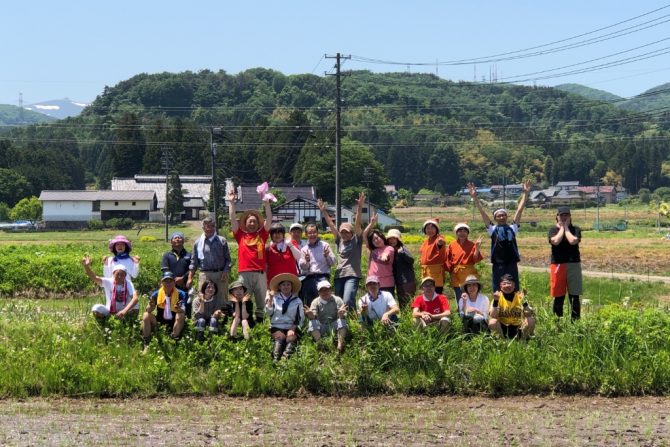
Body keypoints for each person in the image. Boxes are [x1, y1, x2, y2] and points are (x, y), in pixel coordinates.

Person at [469, 181, 531, 292]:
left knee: (513, 286)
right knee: (498, 287)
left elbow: (519, 210)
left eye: (503, 215)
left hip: (512, 263)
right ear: (495, 218)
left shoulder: (513, 228)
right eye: (499, 215)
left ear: (506, 217)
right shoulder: (492, 229)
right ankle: (497, 307)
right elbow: (482, 212)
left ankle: (514, 306)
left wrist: (525, 194)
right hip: (498, 263)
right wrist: (475, 197)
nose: (502, 217)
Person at [228, 189, 273, 323]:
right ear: (245, 223)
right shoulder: (240, 235)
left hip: (260, 273)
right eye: (250, 221)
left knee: (261, 301)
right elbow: (232, 219)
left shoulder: (262, 235)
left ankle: (260, 324)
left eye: (254, 221)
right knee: (244, 299)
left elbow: (269, 219)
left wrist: (266, 205)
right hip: (244, 272)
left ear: (258, 223)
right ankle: (245, 323)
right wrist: (232, 203)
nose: (252, 223)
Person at [317, 193, 365, 311]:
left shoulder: (356, 241)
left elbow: (358, 224)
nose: (344, 234)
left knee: (348, 299)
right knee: (339, 302)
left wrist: (359, 207)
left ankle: (352, 320)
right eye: (342, 232)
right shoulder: (339, 240)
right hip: (339, 275)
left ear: (352, 233)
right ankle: (343, 321)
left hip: (352, 275)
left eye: (347, 232)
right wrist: (324, 212)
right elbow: (331, 225)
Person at [187, 216, 232, 316]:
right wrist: (190, 277)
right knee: (203, 296)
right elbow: (194, 262)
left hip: (221, 273)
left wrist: (225, 271)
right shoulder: (198, 243)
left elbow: (228, 259)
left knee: (222, 298)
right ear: (203, 228)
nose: (210, 228)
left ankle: (221, 321)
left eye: (212, 226)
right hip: (205, 273)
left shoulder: (222, 241)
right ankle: (201, 320)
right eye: (208, 226)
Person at [548, 206, 583, 320]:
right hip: (558, 265)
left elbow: (573, 241)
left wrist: (566, 228)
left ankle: (575, 322)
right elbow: (556, 241)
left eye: (566, 215)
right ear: (557, 217)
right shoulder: (553, 230)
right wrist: (562, 228)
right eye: (561, 215)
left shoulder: (576, 229)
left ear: (570, 217)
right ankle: (558, 322)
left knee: (574, 296)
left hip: (573, 264)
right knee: (559, 296)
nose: (564, 217)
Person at [142, 271, 188, 353]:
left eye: (170, 281)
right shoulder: (156, 294)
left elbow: (183, 310)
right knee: (146, 315)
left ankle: (173, 340)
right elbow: (148, 310)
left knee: (181, 315)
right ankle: (147, 343)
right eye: (165, 281)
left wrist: (178, 309)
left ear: (174, 282)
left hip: (174, 321)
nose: (168, 283)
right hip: (160, 320)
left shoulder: (181, 294)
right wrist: (151, 305)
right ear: (161, 283)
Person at [82, 256, 139, 321]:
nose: (119, 277)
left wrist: (124, 311)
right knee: (96, 309)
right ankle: (106, 322)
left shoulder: (128, 283)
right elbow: (94, 278)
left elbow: (135, 298)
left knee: (136, 305)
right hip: (110, 311)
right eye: (117, 274)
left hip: (125, 312)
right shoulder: (108, 281)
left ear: (125, 276)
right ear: (113, 274)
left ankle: (128, 321)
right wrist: (86, 266)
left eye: (122, 275)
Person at [265, 273, 305, 361]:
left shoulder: (297, 301)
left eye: (288, 284)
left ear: (291, 286)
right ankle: (275, 359)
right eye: (283, 284)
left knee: (291, 339)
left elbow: (300, 317)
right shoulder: (274, 298)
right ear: (279, 287)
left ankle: (285, 359)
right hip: (277, 326)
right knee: (280, 338)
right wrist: (270, 299)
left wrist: (293, 328)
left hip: (291, 326)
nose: (286, 287)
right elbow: (268, 313)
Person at [304, 279, 348, 353]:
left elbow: (344, 315)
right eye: (322, 290)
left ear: (331, 290)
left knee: (342, 321)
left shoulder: (337, 299)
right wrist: (311, 316)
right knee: (312, 322)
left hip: (334, 325)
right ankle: (320, 344)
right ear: (318, 292)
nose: (325, 292)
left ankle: (340, 345)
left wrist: (341, 315)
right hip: (321, 327)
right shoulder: (315, 302)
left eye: (327, 289)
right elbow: (313, 317)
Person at [446, 223, 483, 308]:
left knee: (470, 292)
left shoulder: (472, 244)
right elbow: (448, 259)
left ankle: (472, 311)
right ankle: (460, 313)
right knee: (458, 294)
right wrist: (450, 270)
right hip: (456, 273)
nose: (462, 233)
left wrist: (477, 248)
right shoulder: (452, 244)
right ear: (456, 233)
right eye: (460, 231)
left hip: (468, 272)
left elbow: (475, 259)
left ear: (467, 233)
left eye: (465, 231)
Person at [488, 274, 535, 340]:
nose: (507, 286)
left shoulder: (520, 296)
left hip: (518, 327)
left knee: (531, 320)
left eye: (509, 283)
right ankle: (502, 341)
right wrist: (496, 301)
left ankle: (523, 341)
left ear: (514, 286)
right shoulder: (497, 297)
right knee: (492, 322)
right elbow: (493, 315)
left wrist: (524, 303)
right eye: (504, 284)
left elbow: (529, 314)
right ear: (500, 286)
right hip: (503, 327)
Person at [298, 223, 335, 306]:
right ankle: (311, 317)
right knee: (309, 302)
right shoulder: (304, 249)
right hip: (309, 277)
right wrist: (307, 261)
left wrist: (327, 256)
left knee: (324, 301)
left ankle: (325, 317)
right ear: (306, 234)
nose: (312, 235)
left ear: (318, 233)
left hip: (323, 276)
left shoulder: (325, 245)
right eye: (310, 233)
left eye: (314, 232)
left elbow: (332, 263)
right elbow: (303, 267)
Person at [160, 231, 192, 316]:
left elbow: (192, 269)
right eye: (175, 237)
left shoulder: (189, 255)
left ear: (183, 241)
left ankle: (186, 324)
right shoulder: (167, 255)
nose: (177, 239)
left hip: (184, 285)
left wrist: (183, 278)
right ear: (171, 241)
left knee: (185, 306)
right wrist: (174, 280)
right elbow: (165, 269)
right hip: (169, 285)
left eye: (179, 237)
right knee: (170, 305)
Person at [363, 214, 395, 295]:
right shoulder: (373, 250)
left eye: (377, 238)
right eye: (373, 240)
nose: (376, 241)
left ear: (381, 237)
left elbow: (386, 254)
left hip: (387, 282)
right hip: (372, 282)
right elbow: (364, 234)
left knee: (388, 305)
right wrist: (371, 223)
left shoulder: (389, 248)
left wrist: (384, 256)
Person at [387, 228, 416, 307]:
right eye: (390, 239)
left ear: (398, 239)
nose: (391, 240)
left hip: (407, 279)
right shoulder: (391, 250)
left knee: (408, 301)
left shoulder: (402, 248)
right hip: (399, 280)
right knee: (402, 300)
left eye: (394, 238)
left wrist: (402, 253)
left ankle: (410, 317)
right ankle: (405, 317)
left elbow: (411, 260)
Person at [419, 218, 448, 294]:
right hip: (426, 272)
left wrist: (440, 243)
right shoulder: (426, 241)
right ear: (424, 230)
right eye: (428, 228)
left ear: (437, 229)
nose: (430, 230)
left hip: (436, 272)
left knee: (436, 294)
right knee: (427, 295)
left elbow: (440, 243)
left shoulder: (439, 239)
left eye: (432, 228)